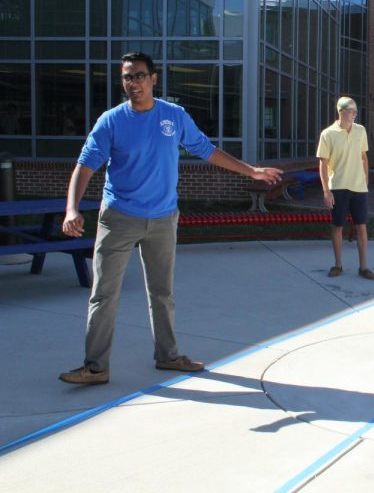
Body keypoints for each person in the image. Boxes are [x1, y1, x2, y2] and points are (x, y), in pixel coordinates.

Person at [59, 52, 283, 385]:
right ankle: (95, 367)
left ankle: (167, 356)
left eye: (138, 76)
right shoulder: (111, 120)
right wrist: (72, 209)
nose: (132, 83)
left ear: (153, 78)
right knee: (104, 293)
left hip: (163, 218)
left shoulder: (173, 116)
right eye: (126, 77)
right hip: (119, 216)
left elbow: (206, 149)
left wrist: (251, 170)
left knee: (162, 292)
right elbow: (86, 165)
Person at [317, 96, 374, 280]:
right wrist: (326, 191)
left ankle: (364, 267)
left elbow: (363, 157)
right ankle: (338, 265)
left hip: (358, 188)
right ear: (341, 112)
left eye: (356, 111)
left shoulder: (361, 130)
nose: (355, 114)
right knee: (337, 226)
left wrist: (365, 179)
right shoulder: (328, 134)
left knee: (362, 226)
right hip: (338, 187)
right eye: (351, 111)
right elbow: (323, 163)